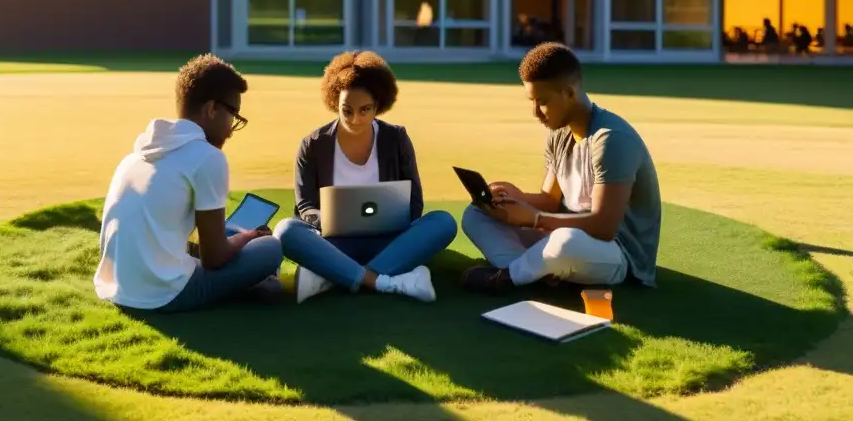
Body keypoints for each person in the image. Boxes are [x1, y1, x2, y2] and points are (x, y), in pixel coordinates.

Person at [461, 42, 661, 293]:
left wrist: (534, 218)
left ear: (569, 92)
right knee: (476, 215)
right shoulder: (560, 134)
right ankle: (537, 273)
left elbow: (604, 227)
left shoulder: (611, 139)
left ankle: (512, 275)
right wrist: (516, 197)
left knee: (565, 243)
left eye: (542, 101)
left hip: (618, 255)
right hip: (564, 233)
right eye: (531, 101)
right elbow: (550, 200)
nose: (535, 112)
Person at [94, 53, 283, 312]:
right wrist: (250, 237)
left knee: (229, 231)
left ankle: (257, 279)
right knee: (270, 248)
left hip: (117, 287)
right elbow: (213, 259)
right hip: (164, 294)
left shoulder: (138, 153)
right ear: (212, 109)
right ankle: (259, 283)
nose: (231, 129)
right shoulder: (209, 158)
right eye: (233, 115)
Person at [274, 51, 458, 303]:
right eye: (346, 110)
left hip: (387, 240)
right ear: (334, 103)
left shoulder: (396, 139)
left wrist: (390, 220)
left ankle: (331, 275)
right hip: (334, 242)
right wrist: (330, 220)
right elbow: (305, 207)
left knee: (443, 222)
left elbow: (415, 203)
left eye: (365, 110)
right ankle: (386, 280)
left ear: (378, 106)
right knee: (286, 231)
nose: (355, 119)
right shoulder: (313, 144)